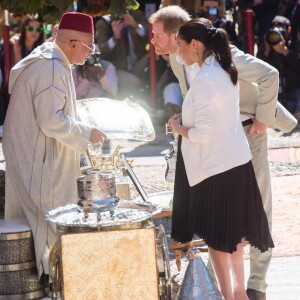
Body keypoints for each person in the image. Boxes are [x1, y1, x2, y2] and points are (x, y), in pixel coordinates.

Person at [149, 5, 297, 299]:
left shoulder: (222, 56)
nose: (152, 41)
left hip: (245, 132)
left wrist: (262, 120)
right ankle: (232, 287)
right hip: (211, 145)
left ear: (178, 36)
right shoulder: (180, 60)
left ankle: (257, 284)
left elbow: (269, 74)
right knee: (224, 216)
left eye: (156, 35)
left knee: (254, 208)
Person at [167, 18, 274, 299]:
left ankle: (228, 296)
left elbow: (202, 134)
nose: (178, 52)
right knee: (234, 237)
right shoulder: (225, 69)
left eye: (180, 46)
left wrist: (178, 127)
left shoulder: (205, 78)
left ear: (195, 44)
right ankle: (238, 292)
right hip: (235, 162)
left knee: (217, 240)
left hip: (214, 168)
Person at [3, 12, 107, 283]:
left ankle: (49, 278)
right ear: (72, 43)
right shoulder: (50, 67)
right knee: (51, 219)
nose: (90, 53)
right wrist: (87, 133)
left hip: (34, 154)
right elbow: (51, 120)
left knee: (42, 220)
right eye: (88, 46)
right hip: (39, 159)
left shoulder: (52, 60)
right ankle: (54, 281)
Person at [95, 10, 149, 97]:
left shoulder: (136, 14)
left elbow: (148, 35)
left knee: (152, 56)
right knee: (136, 83)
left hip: (137, 63)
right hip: (117, 68)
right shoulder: (104, 23)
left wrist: (135, 25)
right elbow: (101, 51)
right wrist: (115, 37)